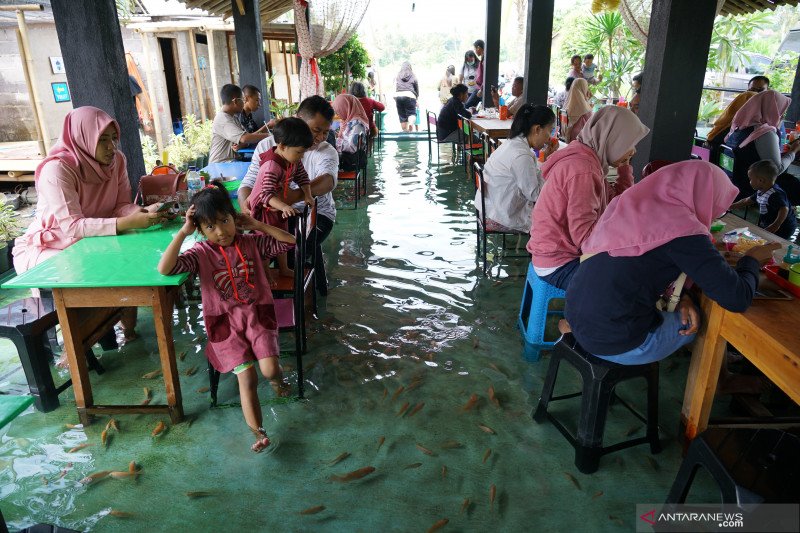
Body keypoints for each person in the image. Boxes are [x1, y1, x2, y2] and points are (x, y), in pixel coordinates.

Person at [564, 160, 778, 365]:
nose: (713, 214)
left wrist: (684, 297)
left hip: (577, 318)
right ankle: (718, 380)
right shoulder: (684, 229)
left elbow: (639, 266)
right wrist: (751, 260)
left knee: (685, 306)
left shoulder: (629, 205)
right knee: (701, 320)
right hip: (615, 341)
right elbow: (736, 298)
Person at [13, 106, 166, 349]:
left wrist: (142, 213)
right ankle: (78, 346)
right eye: (102, 140)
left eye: (114, 139)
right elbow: (72, 226)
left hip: (92, 240)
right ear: (83, 138)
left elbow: (121, 206)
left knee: (127, 257)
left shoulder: (117, 161)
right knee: (86, 272)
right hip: (48, 247)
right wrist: (125, 223)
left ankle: (126, 330)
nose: (111, 147)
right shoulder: (58, 169)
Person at [158, 183, 296, 452]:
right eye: (210, 227)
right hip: (225, 324)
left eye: (225, 221)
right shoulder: (199, 254)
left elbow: (289, 241)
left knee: (269, 371)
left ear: (235, 217)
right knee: (248, 378)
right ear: (199, 230)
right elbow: (165, 269)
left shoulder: (252, 242)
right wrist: (183, 232)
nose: (220, 231)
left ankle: (279, 381)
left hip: (258, 316)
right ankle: (259, 433)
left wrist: (255, 224)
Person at [528, 106, 650, 290]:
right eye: (628, 143)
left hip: (555, 253)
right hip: (559, 262)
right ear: (612, 139)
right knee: (628, 286)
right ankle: (574, 319)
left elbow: (616, 203)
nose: (633, 151)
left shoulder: (589, 159)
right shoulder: (583, 169)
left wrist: (625, 168)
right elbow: (585, 238)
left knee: (632, 269)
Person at [239, 96, 339, 295]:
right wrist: (246, 205)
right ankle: (264, 302)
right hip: (272, 212)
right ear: (298, 120)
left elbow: (327, 180)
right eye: (316, 130)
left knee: (293, 249)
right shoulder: (269, 146)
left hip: (317, 215)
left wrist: (289, 199)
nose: (319, 138)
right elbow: (249, 183)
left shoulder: (325, 151)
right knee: (249, 251)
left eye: (325, 132)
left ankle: (304, 306)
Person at [248, 117, 314, 283]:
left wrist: (308, 194)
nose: (302, 156)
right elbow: (266, 194)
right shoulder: (272, 166)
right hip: (264, 209)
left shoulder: (293, 160)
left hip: (278, 206)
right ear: (282, 146)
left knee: (282, 235)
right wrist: (284, 206)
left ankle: (284, 268)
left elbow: (302, 177)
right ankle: (266, 274)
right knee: (265, 243)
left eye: (304, 152)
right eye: (299, 152)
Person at [475, 104, 558, 233]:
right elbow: (536, 195)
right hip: (499, 217)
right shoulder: (521, 155)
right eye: (550, 130)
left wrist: (546, 159)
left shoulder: (513, 143)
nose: (549, 137)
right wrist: (548, 163)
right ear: (537, 129)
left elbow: (530, 177)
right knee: (557, 224)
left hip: (488, 208)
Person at [725, 89, 800, 201]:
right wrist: (793, 152)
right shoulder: (764, 132)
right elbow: (775, 170)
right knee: (795, 185)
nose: (782, 115)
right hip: (752, 186)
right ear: (773, 110)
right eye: (781, 110)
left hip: (734, 181)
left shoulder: (739, 127)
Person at [730, 160, 798, 239]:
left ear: (761, 180)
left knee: (773, 242)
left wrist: (775, 225)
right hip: (770, 222)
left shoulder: (775, 194)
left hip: (784, 227)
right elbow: (746, 201)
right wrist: (729, 206)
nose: (749, 182)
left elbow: (784, 209)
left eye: (750, 179)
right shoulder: (762, 190)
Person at [209, 84, 270, 163]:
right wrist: (269, 135)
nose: (244, 103)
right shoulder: (223, 119)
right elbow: (244, 138)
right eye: (242, 100)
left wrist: (243, 143)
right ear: (235, 101)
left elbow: (246, 138)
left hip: (233, 161)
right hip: (221, 164)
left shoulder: (233, 117)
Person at [332, 94, 370, 168]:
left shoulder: (357, 125)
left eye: (339, 110)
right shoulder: (349, 122)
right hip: (347, 157)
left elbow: (352, 148)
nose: (338, 114)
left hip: (351, 161)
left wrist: (335, 144)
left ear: (346, 107)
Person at [564, 78, 592, 142]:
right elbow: (592, 122)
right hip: (580, 138)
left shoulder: (568, 103)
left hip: (569, 137)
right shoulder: (585, 108)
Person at [466, 40, 485, 109]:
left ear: (478, 48)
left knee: (467, 106)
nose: (475, 51)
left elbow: (486, 77)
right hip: (479, 88)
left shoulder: (485, 60)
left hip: (480, 88)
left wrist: (482, 89)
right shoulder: (483, 59)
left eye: (475, 49)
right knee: (475, 108)